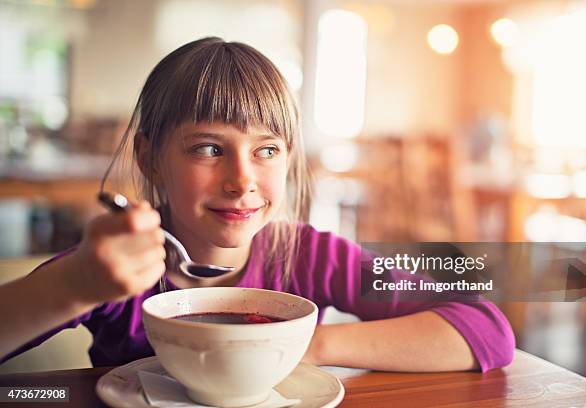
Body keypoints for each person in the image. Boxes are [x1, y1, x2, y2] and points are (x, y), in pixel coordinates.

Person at [0, 37, 514, 372]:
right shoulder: (117, 267)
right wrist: (73, 285)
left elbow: (486, 329)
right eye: (208, 148)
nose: (241, 179)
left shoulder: (310, 256)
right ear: (151, 158)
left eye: (266, 150)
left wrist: (307, 346)